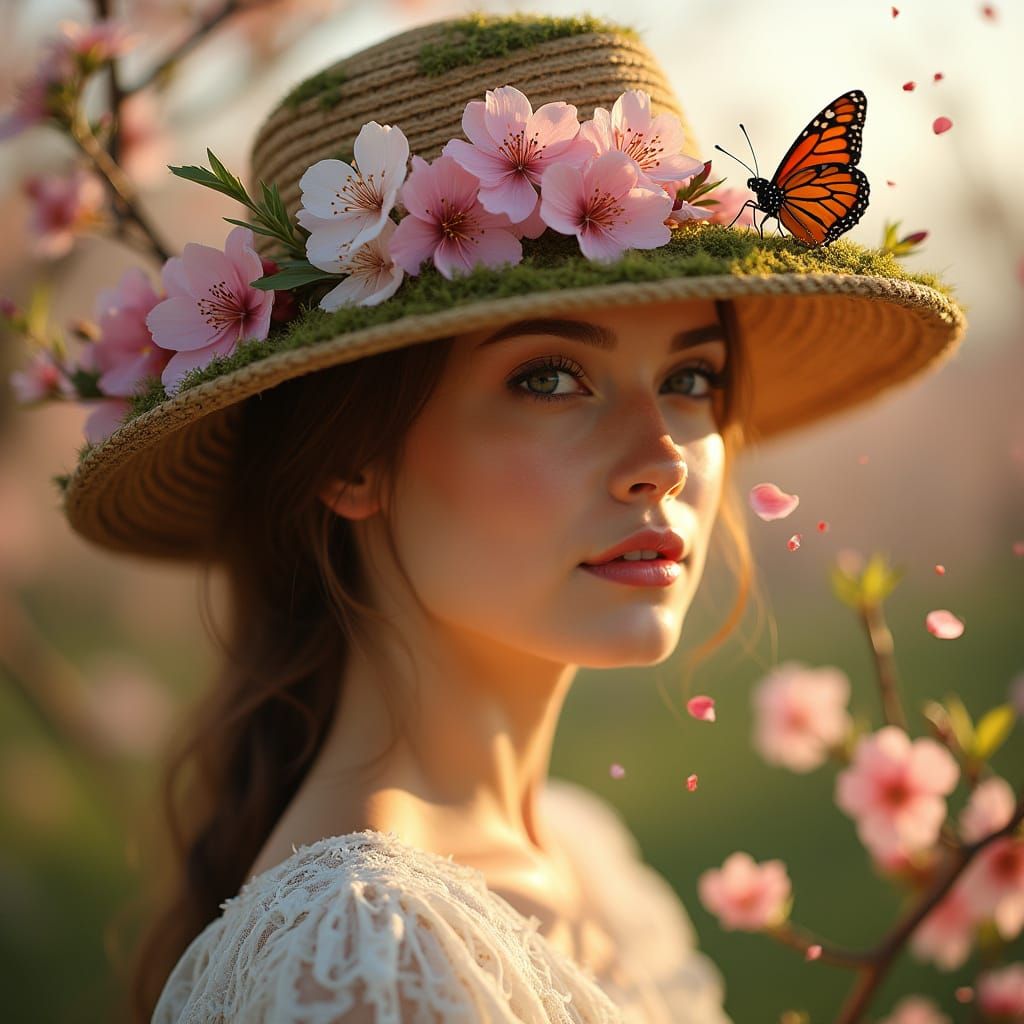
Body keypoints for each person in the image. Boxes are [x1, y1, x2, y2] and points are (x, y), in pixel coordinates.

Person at [53, 12, 967, 1024]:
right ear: (352, 460)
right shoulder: (362, 959)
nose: (660, 457)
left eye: (690, 376)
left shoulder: (582, 857)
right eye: (548, 376)